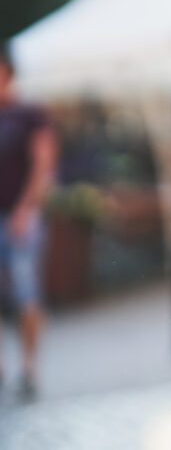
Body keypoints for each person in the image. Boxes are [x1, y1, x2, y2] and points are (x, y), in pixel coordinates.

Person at [0, 43, 57, 402]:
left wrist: (25, 209)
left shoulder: (30, 114)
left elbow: (43, 165)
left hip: (20, 219)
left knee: (26, 294)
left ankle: (29, 369)